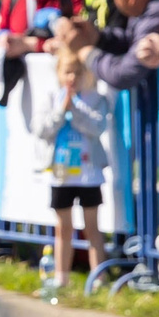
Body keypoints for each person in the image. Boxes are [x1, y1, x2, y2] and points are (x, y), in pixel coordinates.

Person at [37, 25, 114, 299]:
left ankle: (99, 277)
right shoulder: (52, 98)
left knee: (92, 227)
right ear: (59, 73)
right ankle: (62, 277)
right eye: (68, 72)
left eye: (78, 72)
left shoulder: (96, 99)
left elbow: (97, 127)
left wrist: (76, 109)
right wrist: (61, 110)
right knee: (63, 227)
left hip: (88, 173)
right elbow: (42, 130)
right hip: (61, 173)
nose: (72, 78)